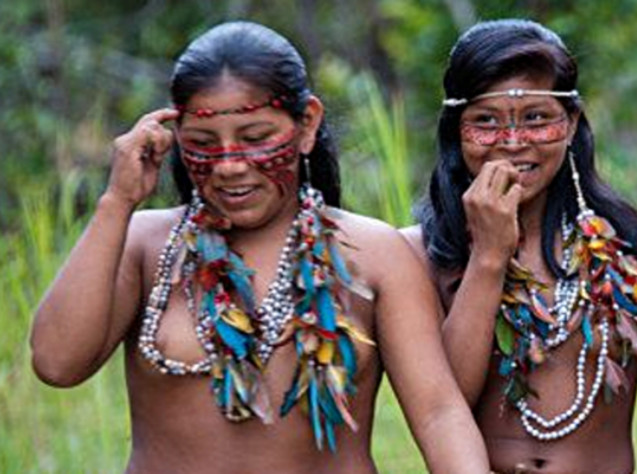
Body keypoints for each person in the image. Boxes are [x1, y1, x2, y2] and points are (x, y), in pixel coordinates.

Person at [30, 21, 491, 474]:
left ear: (307, 124)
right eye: (203, 143)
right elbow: (56, 364)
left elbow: (438, 412)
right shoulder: (145, 245)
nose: (230, 165)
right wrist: (117, 201)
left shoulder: (373, 253)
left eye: (255, 139)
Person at [404, 19, 637, 474]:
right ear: (455, 129)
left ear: (571, 123)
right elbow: (442, 409)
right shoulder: (418, 255)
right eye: (485, 121)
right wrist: (488, 257)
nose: (512, 142)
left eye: (536, 118)